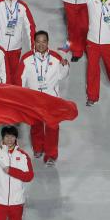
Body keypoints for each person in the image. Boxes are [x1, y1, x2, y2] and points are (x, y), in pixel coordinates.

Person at [19, 31, 69, 164]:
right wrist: (21, 98)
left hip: (52, 99)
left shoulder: (56, 57)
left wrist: (65, 65)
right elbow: (20, 80)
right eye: (38, 42)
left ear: (48, 43)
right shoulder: (26, 58)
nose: (41, 44)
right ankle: (38, 148)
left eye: (44, 41)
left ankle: (51, 155)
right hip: (34, 99)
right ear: (34, 43)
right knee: (36, 125)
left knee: (52, 127)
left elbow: (62, 76)